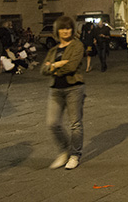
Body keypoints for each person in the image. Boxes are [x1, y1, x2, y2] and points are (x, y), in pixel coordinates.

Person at [40, 15, 85, 170]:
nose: (66, 31)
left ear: (72, 30)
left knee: (75, 124)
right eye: (62, 28)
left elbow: (72, 67)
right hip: (56, 90)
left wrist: (52, 67)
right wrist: (57, 64)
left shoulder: (77, 46)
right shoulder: (53, 49)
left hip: (74, 88)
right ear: (57, 31)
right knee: (52, 123)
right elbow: (43, 70)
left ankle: (75, 155)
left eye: (68, 28)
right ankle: (64, 150)